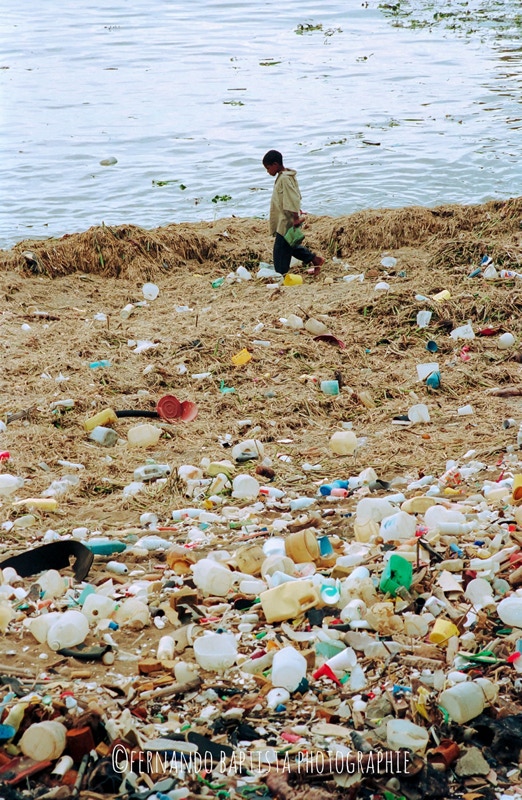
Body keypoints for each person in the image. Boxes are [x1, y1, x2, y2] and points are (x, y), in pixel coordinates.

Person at [262, 149, 324, 276]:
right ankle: (315, 259)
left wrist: (296, 218)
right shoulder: (285, 176)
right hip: (284, 219)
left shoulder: (284, 179)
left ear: (275, 164)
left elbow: (293, 198)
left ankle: (282, 273)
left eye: (268, 168)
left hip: (286, 221)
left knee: (280, 253)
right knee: (290, 245)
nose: (267, 171)